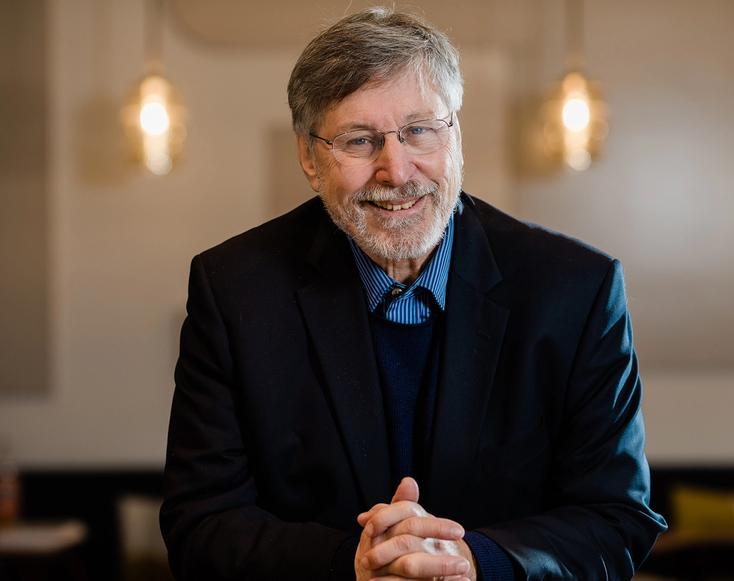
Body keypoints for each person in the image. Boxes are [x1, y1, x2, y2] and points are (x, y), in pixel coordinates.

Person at [160, 7, 667, 580]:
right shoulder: (234, 291)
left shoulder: (576, 290)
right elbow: (199, 524)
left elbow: (617, 516)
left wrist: (477, 562)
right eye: (359, 140)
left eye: (419, 130)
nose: (395, 170)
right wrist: (354, 565)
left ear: (456, 135)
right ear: (308, 157)